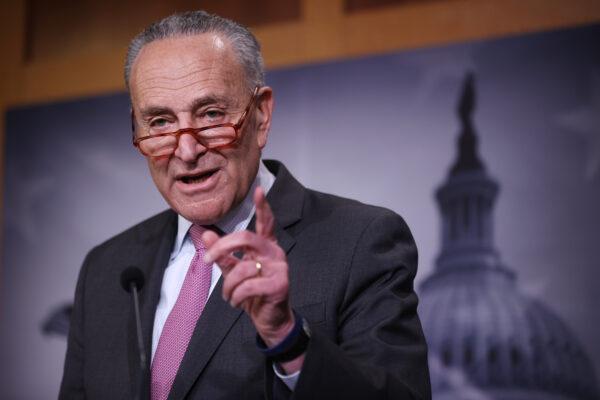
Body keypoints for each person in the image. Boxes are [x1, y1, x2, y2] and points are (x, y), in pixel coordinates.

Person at [59, 10, 431, 400]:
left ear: (261, 115)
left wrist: (288, 340)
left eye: (211, 114)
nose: (186, 150)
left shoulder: (359, 243)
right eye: (160, 122)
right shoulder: (106, 269)